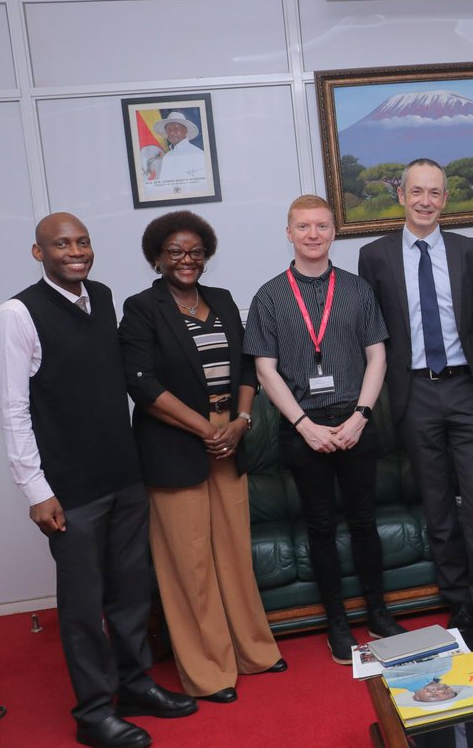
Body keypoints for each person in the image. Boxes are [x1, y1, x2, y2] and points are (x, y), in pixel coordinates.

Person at [0, 213, 196, 748]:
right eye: (62, 244)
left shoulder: (102, 296)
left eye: (82, 242)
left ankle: (133, 686)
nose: (75, 251)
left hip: (123, 475)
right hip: (69, 489)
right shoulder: (17, 313)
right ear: (40, 253)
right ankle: (92, 712)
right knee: (84, 607)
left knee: (130, 593)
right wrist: (35, 491)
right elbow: (13, 410)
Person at [119, 211, 285, 702]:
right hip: (175, 445)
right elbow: (142, 384)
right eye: (175, 252)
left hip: (230, 436)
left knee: (234, 551)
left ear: (206, 256)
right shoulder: (141, 308)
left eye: (194, 251)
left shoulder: (224, 301)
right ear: (157, 258)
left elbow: (247, 367)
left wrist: (240, 421)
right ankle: (209, 670)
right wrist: (204, 430)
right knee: (189, 563)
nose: (186, 260)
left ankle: (253, 650)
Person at [244, 194, 406, 665]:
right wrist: (304, 424)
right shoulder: (269, 296)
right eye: (303, 227)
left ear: (335, 232)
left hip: (356, 421)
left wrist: (361, 416)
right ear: (289, 233)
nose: (313, 234)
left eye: (321, 226)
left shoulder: (357, 290)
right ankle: (337, 622)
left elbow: (378, 356)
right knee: (319, 525)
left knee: (363, 521)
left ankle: (377, 612)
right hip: (303, 427)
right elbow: (265, 370)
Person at [358, 158, 473, 628]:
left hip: (468, 388)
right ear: (401, 196)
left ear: (446, 199)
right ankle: (458, 598)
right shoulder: (375, 256)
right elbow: (371, 332)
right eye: (416, 192)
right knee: (438, 504)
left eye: (435, 193)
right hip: (413, 392)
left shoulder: (470, 250)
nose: (425, 201)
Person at [152, 111, 205, 191]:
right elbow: (163, 184)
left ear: (185, 131)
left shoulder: (198, 154)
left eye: (176, 129)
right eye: (169, 130)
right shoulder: (167, 157)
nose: (172, 133)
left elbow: (202, 185)